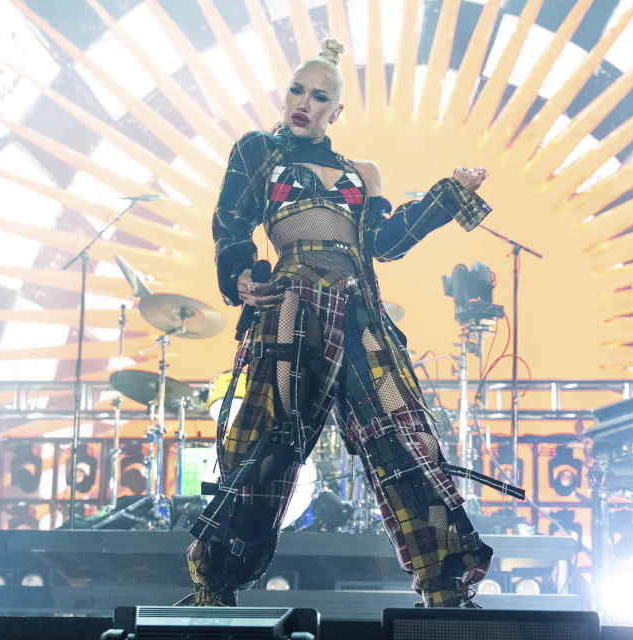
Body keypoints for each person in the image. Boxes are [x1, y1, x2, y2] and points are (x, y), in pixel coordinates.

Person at [180, 38, 494, 608]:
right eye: (296, 90)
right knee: (264, 443)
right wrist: (242, 278)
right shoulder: (258, 152)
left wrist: (450, 197)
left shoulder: (362, 171)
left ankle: (446, 585)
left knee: (401, 437)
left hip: (358, 313)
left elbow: (387, 242)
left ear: (337, 111)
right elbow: (229, 223)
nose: (303, 102)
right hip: (290, 309)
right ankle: (214, 583)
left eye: (319, 95)